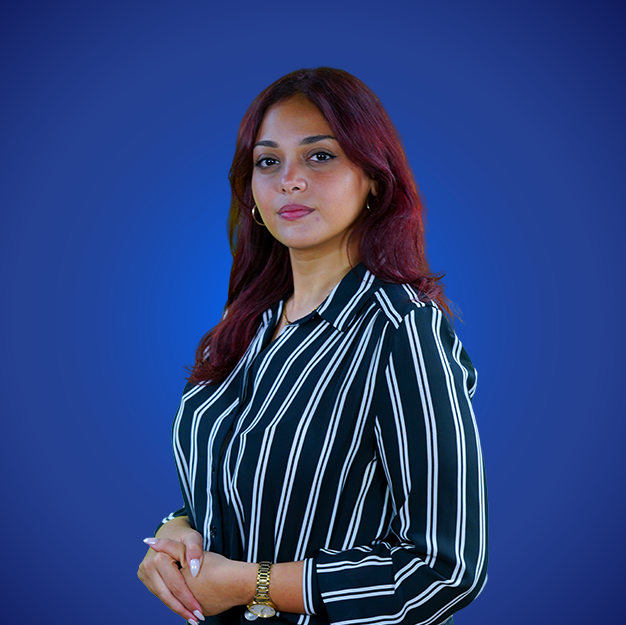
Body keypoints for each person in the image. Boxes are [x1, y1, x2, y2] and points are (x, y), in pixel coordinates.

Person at [138, 67, 488, 625]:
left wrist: (253, 584)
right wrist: (177, 530)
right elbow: (250, 482)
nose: (289, 181)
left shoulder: (400, 332)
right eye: (268, 161)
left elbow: (443, 570)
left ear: (374, 178)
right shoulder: (244, 323)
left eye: (320, 156)